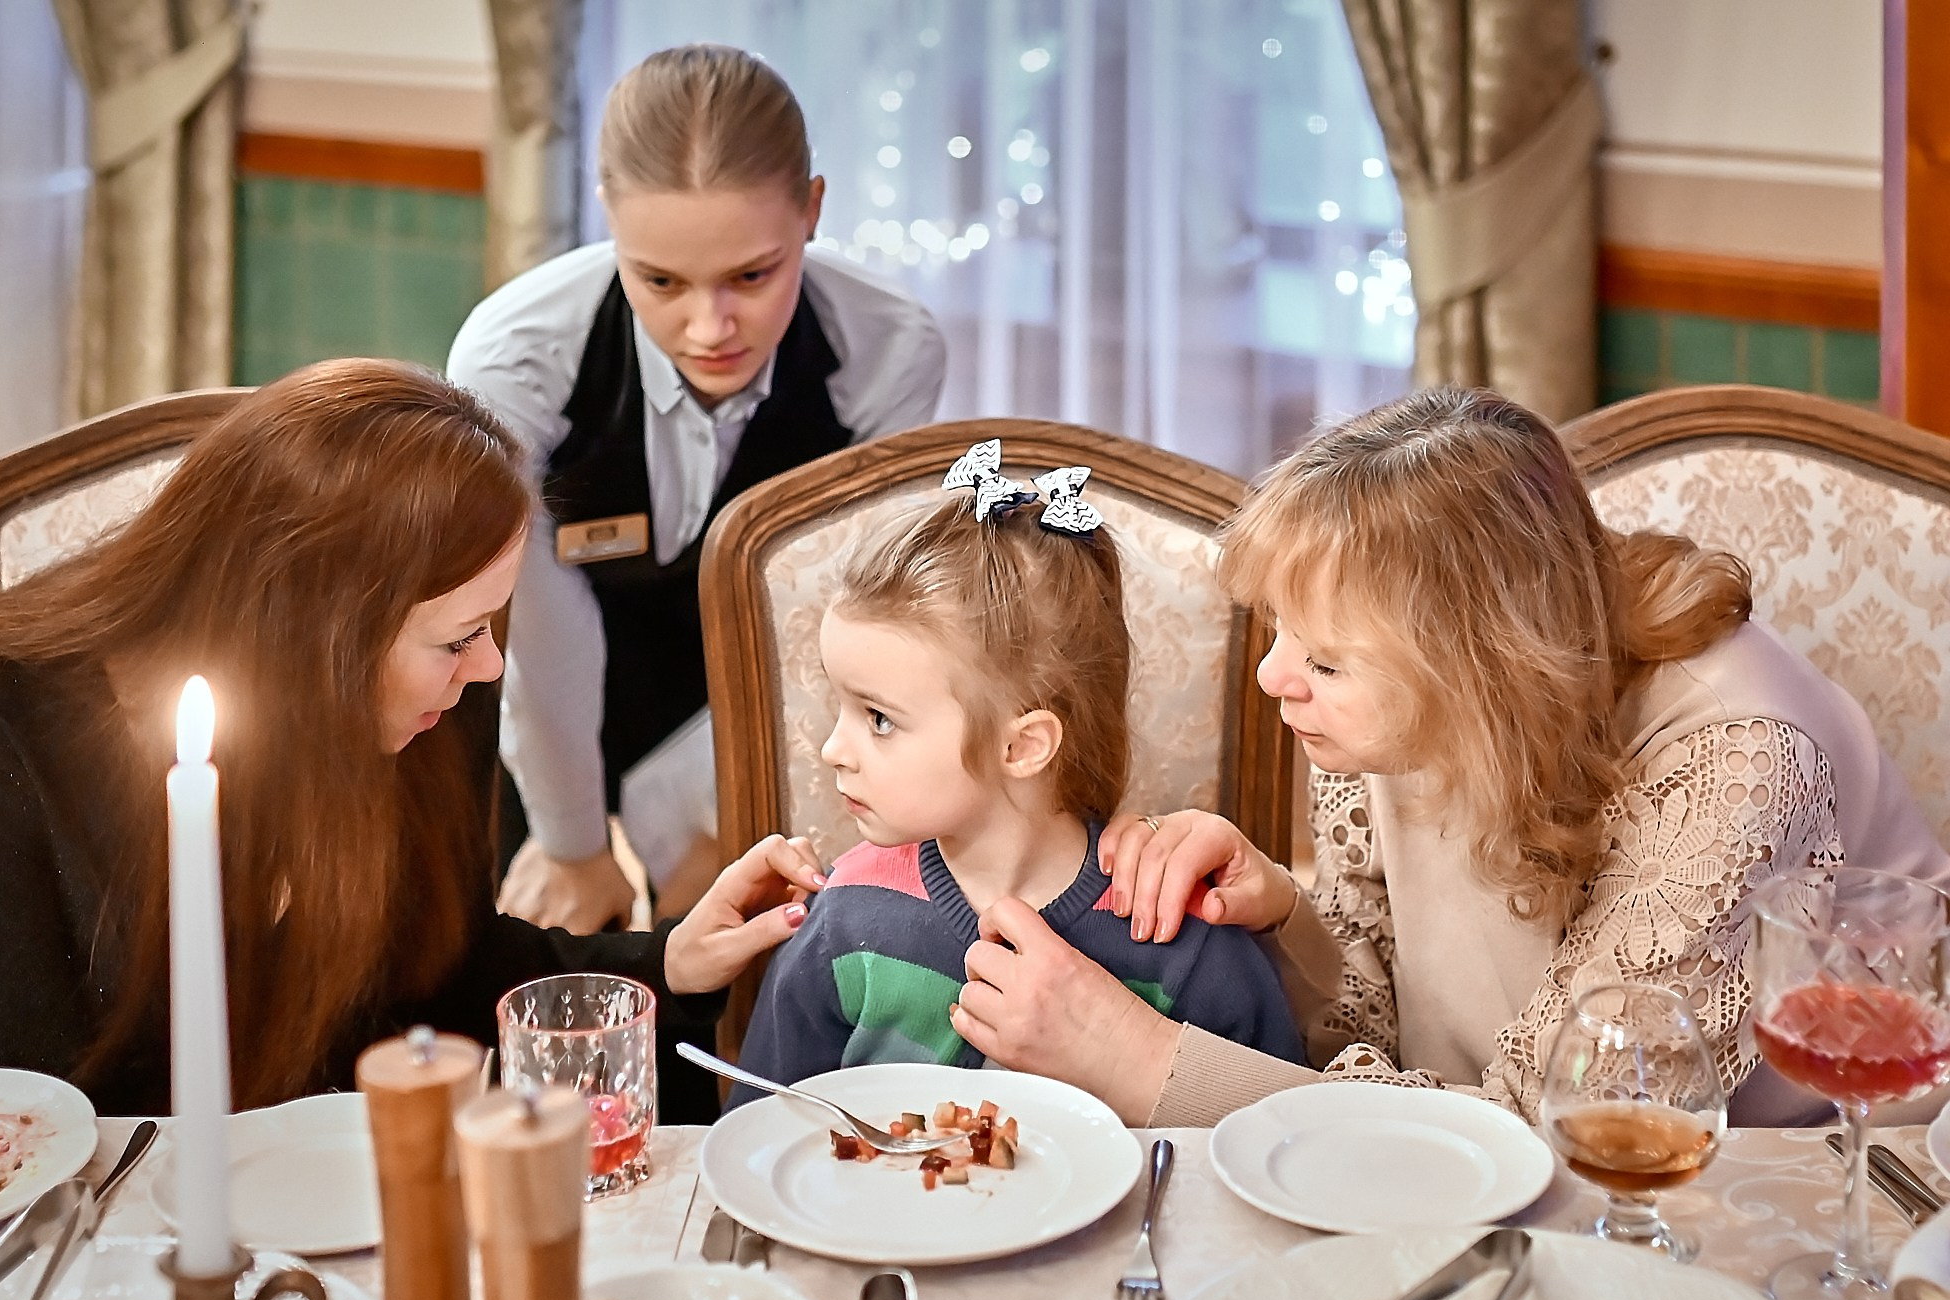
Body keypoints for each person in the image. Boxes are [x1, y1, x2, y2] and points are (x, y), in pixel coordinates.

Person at [942, 388, 1950, 1128]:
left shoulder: (1740, 760)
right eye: (1282, 632)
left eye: (1325, 658)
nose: (1274, 679)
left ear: (1482, 665)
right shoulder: (1386, 695)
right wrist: (1284, 915)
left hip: (1795, 1185)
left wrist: (1134, 1058)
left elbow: (1565, 1133)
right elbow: (1381, 1013)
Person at [0, 360, 823, 1119]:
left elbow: (441, 968)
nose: (489, 669)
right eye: (457, 639)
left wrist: (666, 957)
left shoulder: (428, 703)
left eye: (487, 628)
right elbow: (18, 1119)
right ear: (315, 632)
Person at [447, 43, 947, 937]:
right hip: (547, 724)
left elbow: (835, 615)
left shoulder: (888, 353)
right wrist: (573, 844)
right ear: (610, 220)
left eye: (753, 276)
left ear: (813, 211)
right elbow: (535, 627)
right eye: (660, 281)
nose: (709, 327)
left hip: (762, 715)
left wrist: (718, 826)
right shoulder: (515, 359)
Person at [730, 443, 1302, 1104]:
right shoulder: (841, 922)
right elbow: (762, 1142)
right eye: (842, 706)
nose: (833, 748)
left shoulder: (1183, 939)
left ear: (1023, 747)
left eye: (879, 718)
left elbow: (1275, 1145)